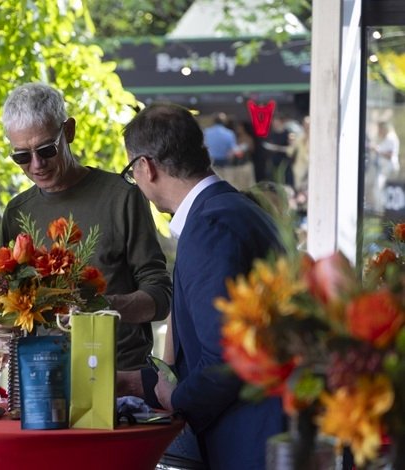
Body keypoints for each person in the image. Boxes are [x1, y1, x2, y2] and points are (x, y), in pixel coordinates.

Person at [122, 102, 285, 469]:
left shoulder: (209, 228)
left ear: (145, 167)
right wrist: (138, 382)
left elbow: (225, 360)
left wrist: (178, 399)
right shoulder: (240, 210)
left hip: (250, 443)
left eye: (131, 172)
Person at [0, 82, 172, 371]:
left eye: (46, 150)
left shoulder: (122, 196)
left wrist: (106, 307)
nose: (36, 164)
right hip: (45, 374)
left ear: (68, 131)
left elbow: (161, 295)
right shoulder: (18, 212)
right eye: (21, 156)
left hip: (119, 376)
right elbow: (12, 300)